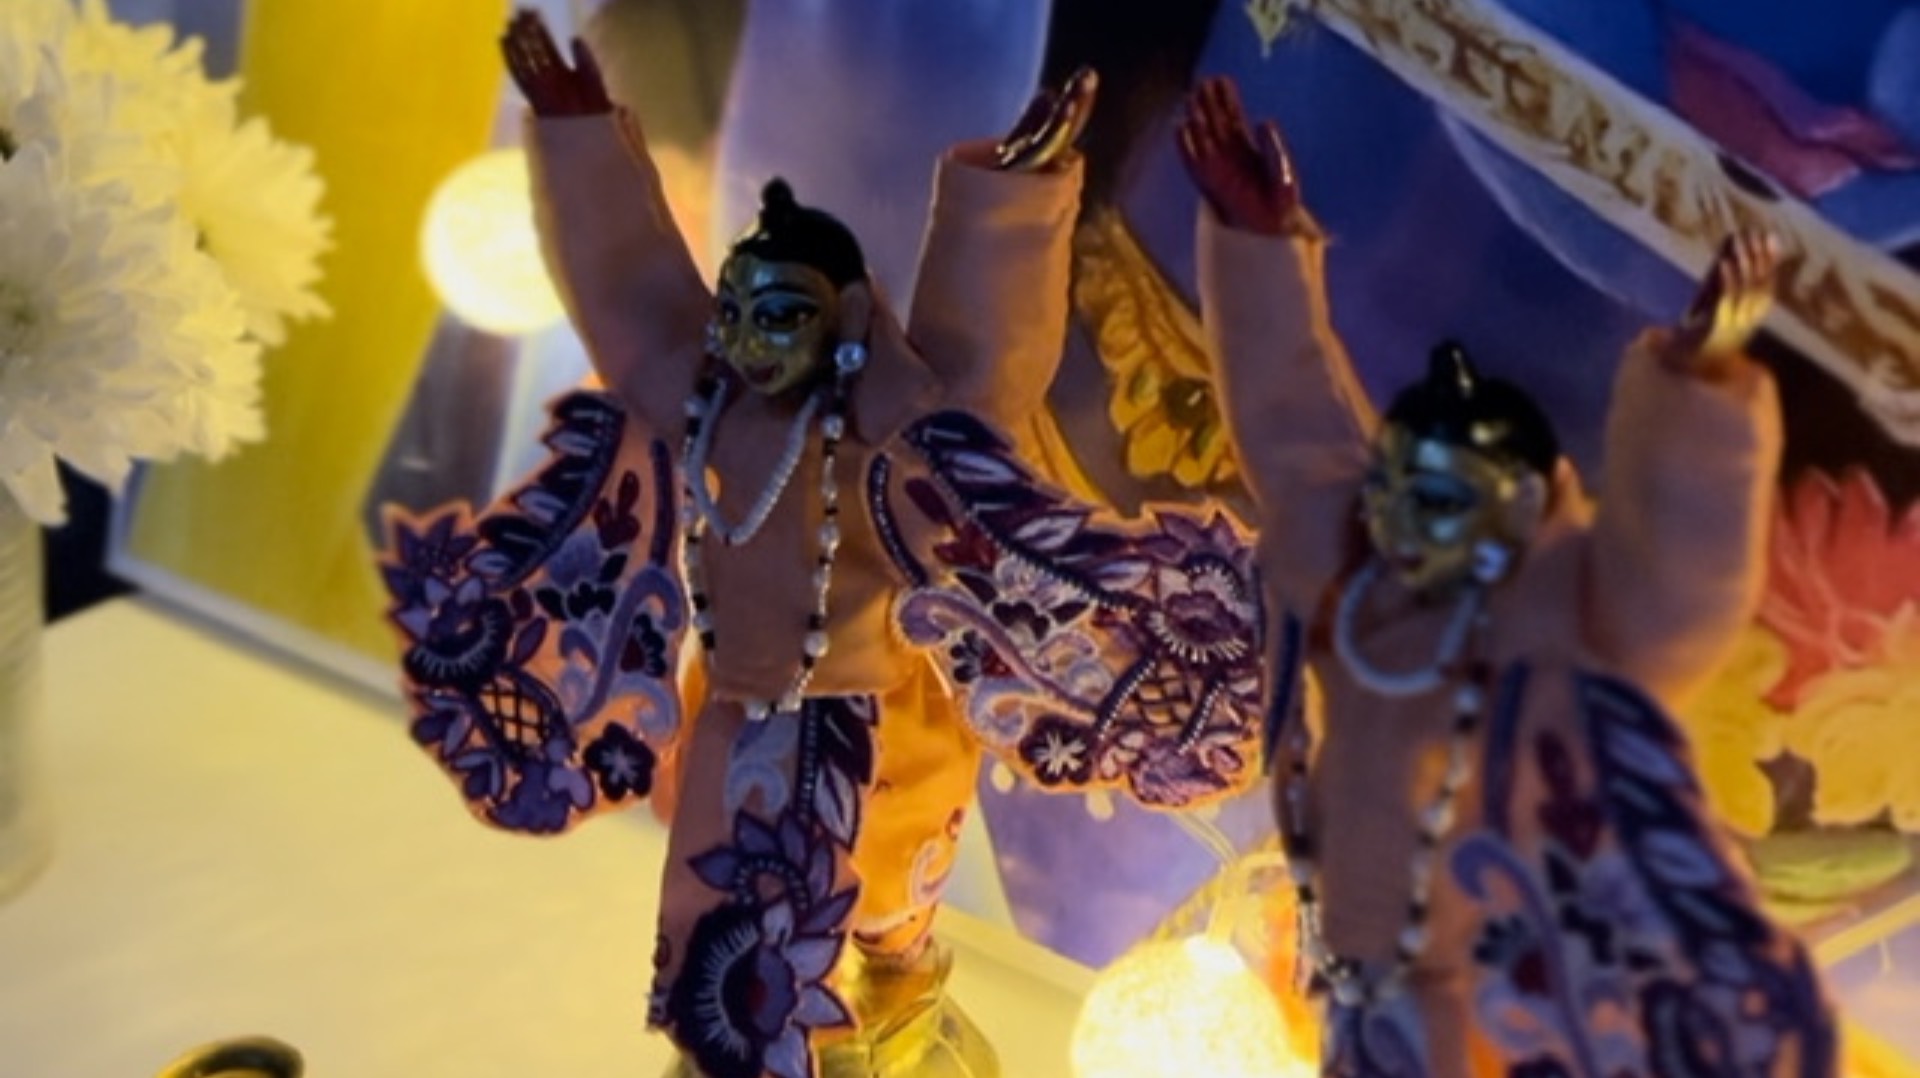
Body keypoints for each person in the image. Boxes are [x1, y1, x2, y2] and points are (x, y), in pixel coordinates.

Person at [381, 14, 1269, 1078]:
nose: (750, 340)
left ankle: (882, 1028)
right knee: (721, 917)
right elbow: (633, 299)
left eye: (783, 316)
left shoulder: (890, 437)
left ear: (841, 321)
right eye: (737, 313)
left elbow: (985, 358)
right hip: (736, 718)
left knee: (882, 911)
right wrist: (578, 136)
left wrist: (1016, 188)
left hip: (883, 721)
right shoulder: (701, 407)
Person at [1177, 74, 1837, 1076]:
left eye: (1441, 502)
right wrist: (1257, 240)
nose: (1405, 522)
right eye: (1396, 492)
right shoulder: (1364, 584)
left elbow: (1686, 582)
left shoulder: (1568, 618)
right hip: (1361, 981)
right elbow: (1296, 431)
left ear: (1522, 506)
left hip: (1518, 997)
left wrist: (1698, 381)